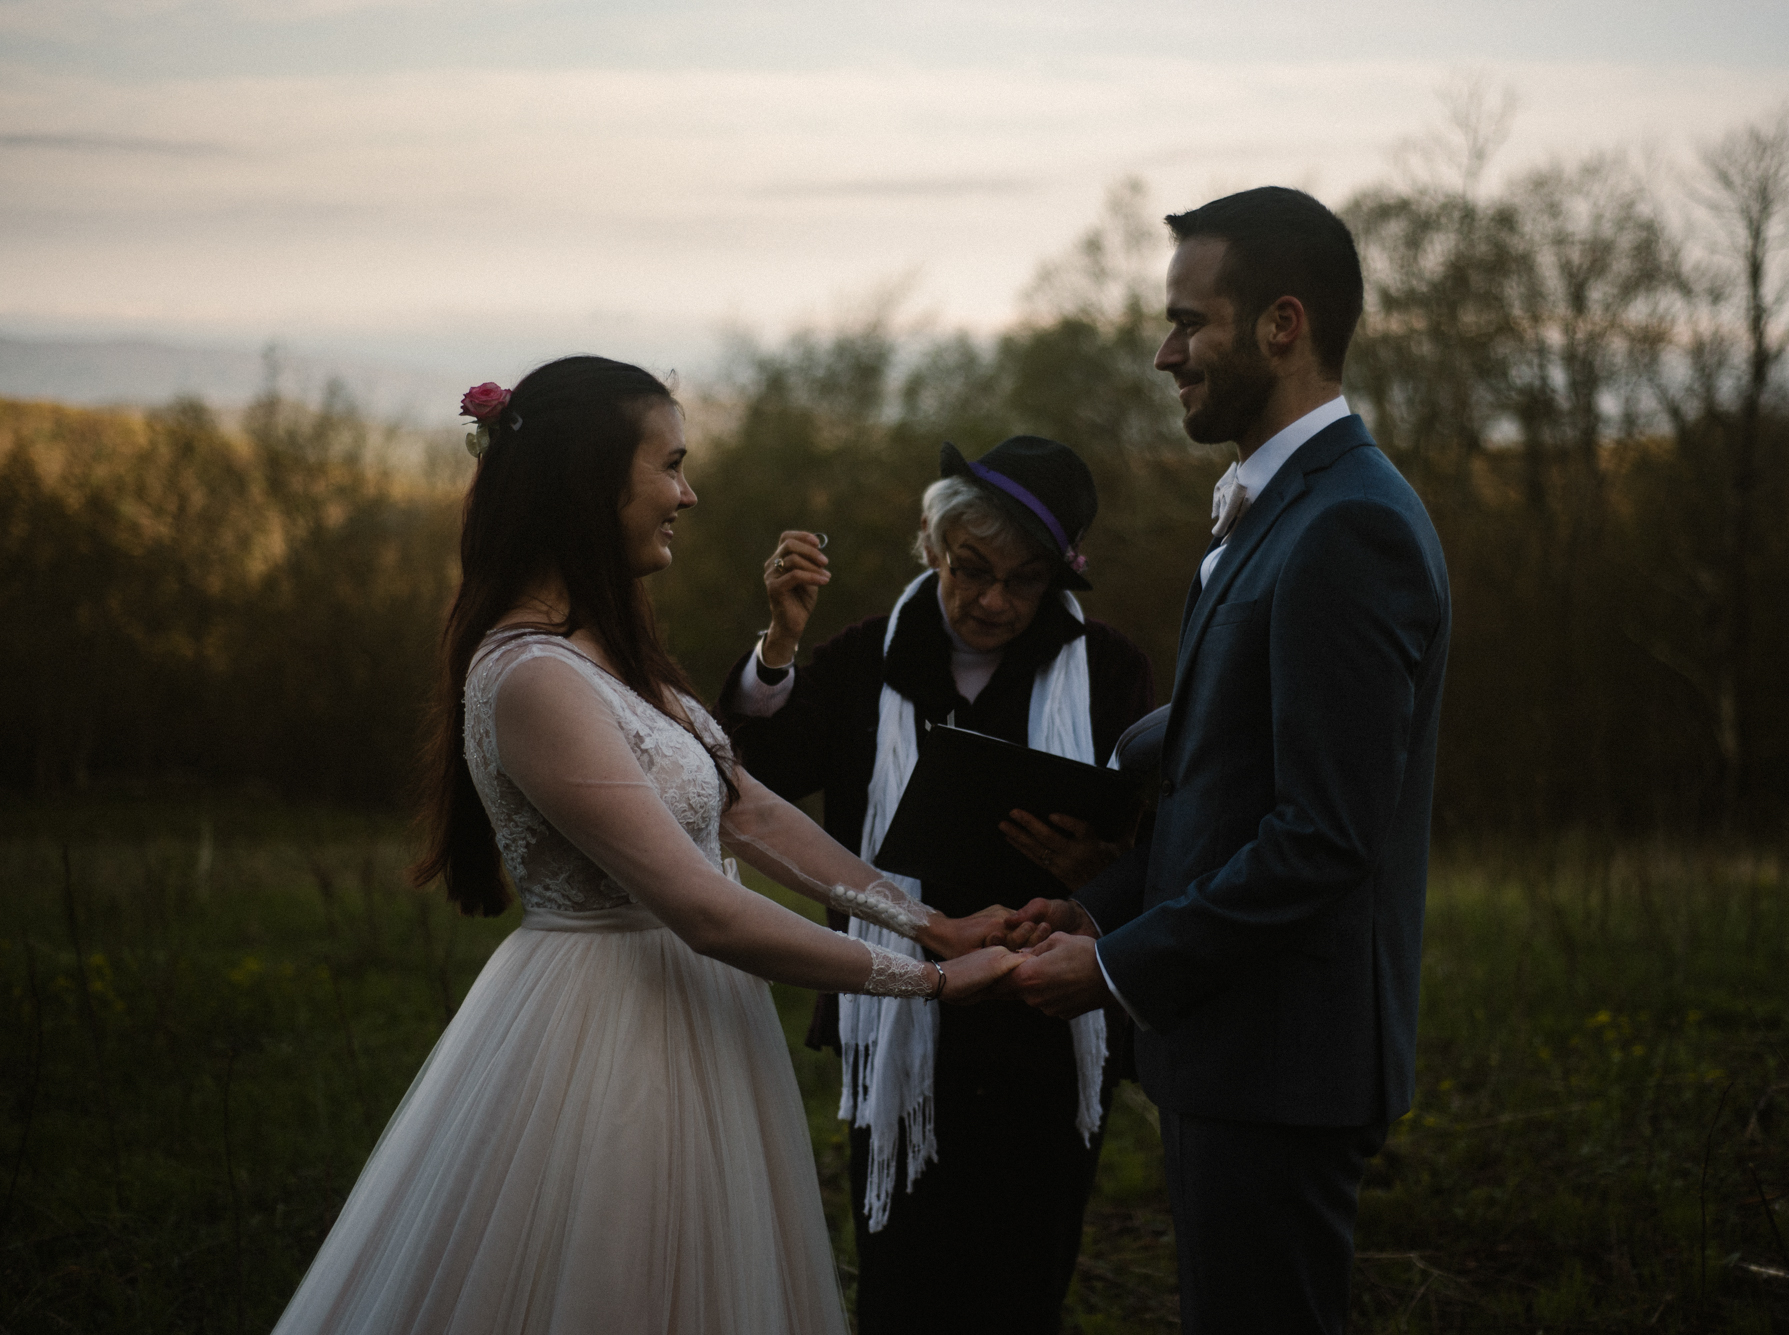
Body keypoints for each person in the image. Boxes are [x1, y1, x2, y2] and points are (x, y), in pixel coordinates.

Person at [271, 356, 1020, 1335]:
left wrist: (933, 924)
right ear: (594, 482)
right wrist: (921, 981)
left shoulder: (609, 654)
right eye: (668, 466)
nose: (688, 493)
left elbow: (744, 812)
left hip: (698, 1022)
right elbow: (702, 905)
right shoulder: (532, 676)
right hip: (600, 1041)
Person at [1001, 187, 1453, 1334]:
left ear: (1281, 324)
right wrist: (1101, 909)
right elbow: (1227, 779)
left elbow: (1323, 836)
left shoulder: (1349, 525)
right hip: (1231, 1055)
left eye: (1189, 323)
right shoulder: (1272, 510)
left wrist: (1115, 972)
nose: (1165, 354)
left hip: (1284, 1070)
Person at [716, 436, 1155, 1335]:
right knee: (904, 1276)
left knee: (1025, 1276)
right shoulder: (863, 657)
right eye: (972, 568)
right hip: (902, 1010)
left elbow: (1151, 837)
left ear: (1059, 578)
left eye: (1024, 579)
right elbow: (753, 776)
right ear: (931, 543)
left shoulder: (1106, 668)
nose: (994, 599)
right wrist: (778, 646)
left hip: (1048, 1009)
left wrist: (1102, 877)